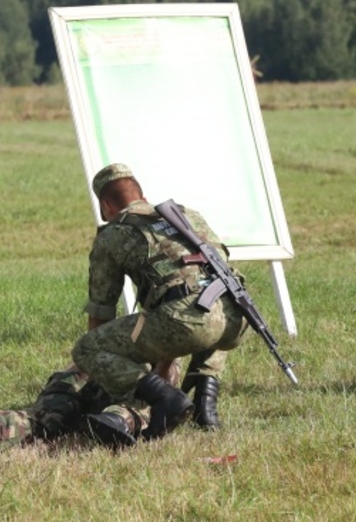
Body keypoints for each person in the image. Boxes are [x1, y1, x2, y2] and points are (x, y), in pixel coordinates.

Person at [72, 164, 247, 445]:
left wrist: (102, 368)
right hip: (237, 319)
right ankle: (206, 405)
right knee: (209, 296)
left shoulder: (113, 234)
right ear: (141, 195)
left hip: (187, 322)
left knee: (87, 347)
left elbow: (101, 310)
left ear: (105, 205)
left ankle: (166, 399)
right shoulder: (188, 216)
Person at [0, 364, 151, 456]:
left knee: (38, 421)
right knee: (138, 408)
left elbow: (87, 346)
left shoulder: (117, 329)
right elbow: (165, 385)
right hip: (133, 384)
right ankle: (114, 421)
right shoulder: (169, 328)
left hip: (76, 376)